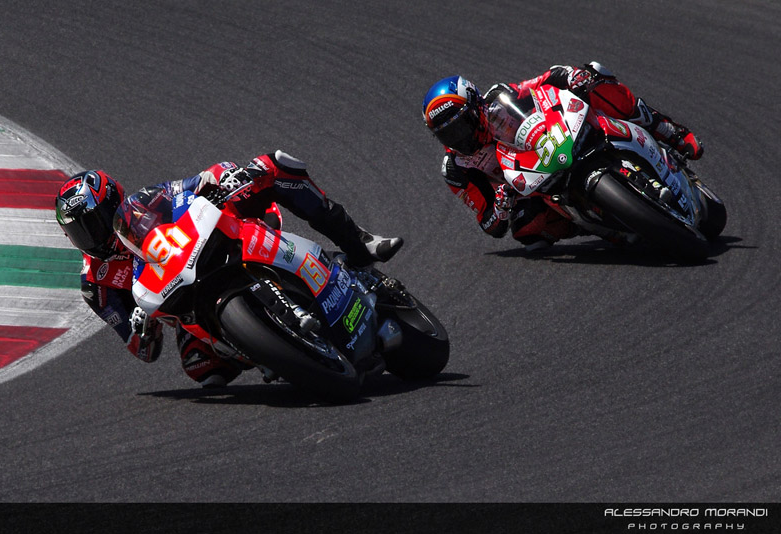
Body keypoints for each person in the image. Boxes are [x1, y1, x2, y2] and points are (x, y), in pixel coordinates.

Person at [55, 150, 403, 387]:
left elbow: (195, 183)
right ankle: (279, 351)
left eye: (94, 222)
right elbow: (143, 351)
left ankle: (358, 242)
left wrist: (220, 178)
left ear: (115, 203)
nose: (91, 236)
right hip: (181, 304)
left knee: (274, 166)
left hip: (206, 250)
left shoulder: (146, 202)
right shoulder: (94, 284)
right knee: (202, 369)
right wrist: (142, 329)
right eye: (78, 231)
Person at [421, 62, 704, 250]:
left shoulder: (500, 97)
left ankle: (666, 129)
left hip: (556, 140)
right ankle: (603, 222)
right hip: (531, 185)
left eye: (462, 125)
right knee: (525, 229)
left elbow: (548, 78)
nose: (460, 139)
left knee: (594, 74)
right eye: (448, 135)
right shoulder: (456, 169)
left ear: (476, 106)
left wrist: (572, 76)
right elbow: (489, 225)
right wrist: (500, 206)